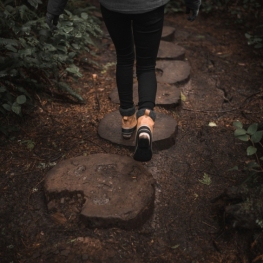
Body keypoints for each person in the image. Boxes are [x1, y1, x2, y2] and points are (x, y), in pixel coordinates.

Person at [46, 0, 201, 162]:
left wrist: (54, 8)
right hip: (150, 6)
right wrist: (193, 3)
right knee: (147, 65)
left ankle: (127, 119)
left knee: (124, 58)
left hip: (114, 6)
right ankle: (145, 121)